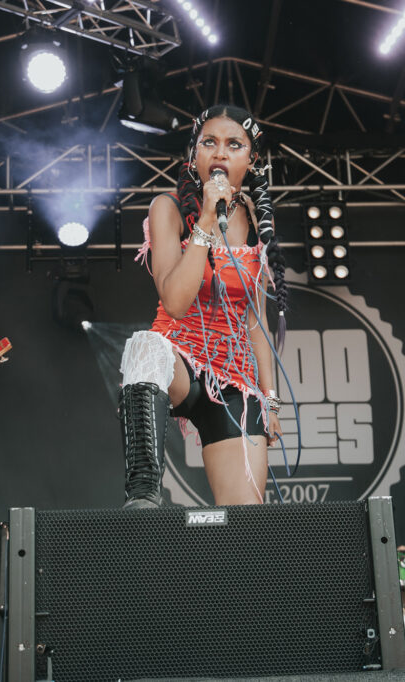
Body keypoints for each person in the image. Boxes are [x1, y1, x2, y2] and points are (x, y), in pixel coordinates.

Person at [119, 104, 290, 508]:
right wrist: (206, 224)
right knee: (143, 345)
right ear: (194, 155)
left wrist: (271, 398)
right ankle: (143, 492)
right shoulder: (169, 208)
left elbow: (256, 320)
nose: (220, 153)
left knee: (246, 520)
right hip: (177, 360)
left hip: (233, 375)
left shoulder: (255, 218)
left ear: (250, 160)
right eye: (208, 142)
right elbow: (175, 302)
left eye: (234, 145)